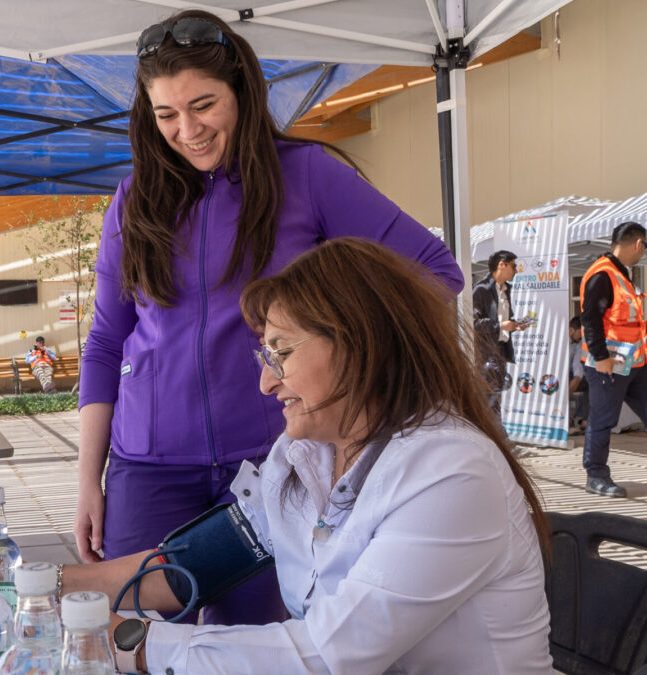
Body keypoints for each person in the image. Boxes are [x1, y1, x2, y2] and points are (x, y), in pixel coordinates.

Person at [75, 9, 464, 627]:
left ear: (242, 92)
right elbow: (104, 343)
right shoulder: (134, 198)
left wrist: (341, 350)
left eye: (203, 105)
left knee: (262, 650)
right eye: (166, 115)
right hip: (146, 468)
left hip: (272, 463)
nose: (187, 130)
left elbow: (434, 272)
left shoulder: (307, 176)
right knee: (131, 645)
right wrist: (88, 479)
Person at [61, 238, 551, 674]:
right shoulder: (304, 455)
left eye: (282, 353)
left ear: (361, 344)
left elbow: (326, 657)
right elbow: (199, 564)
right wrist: (48, 588)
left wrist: (132, 645)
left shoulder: (451, 473)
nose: (266, 381)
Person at [579, 221, 647, 498]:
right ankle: (596, 476)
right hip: (609, 364)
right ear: (637, 243)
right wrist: (600, 357)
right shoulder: (603, 274)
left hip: (634, 363)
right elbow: (590, 318)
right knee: (603, 420)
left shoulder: (623, 274)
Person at [472, 250, 528, 416]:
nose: (516, 270)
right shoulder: (481, 290)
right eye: (513, 266)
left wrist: (514, 325)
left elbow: (501, 320)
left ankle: (496, 436)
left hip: (500, 352)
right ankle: (496, 437)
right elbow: (474, 323)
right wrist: (501, 325)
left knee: (494, 400)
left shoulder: (504, 290)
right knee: (489, 401)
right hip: (486, 353)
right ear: (501, 265)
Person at [569, 315, 588, 431]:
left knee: (591, 382)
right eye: (580, 333)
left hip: (571, 376)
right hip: (553, 375)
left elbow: (578, 369)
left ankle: (586, 420)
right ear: (571, 330)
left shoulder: (580, 343)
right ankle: (567, 418)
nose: (581, 336)